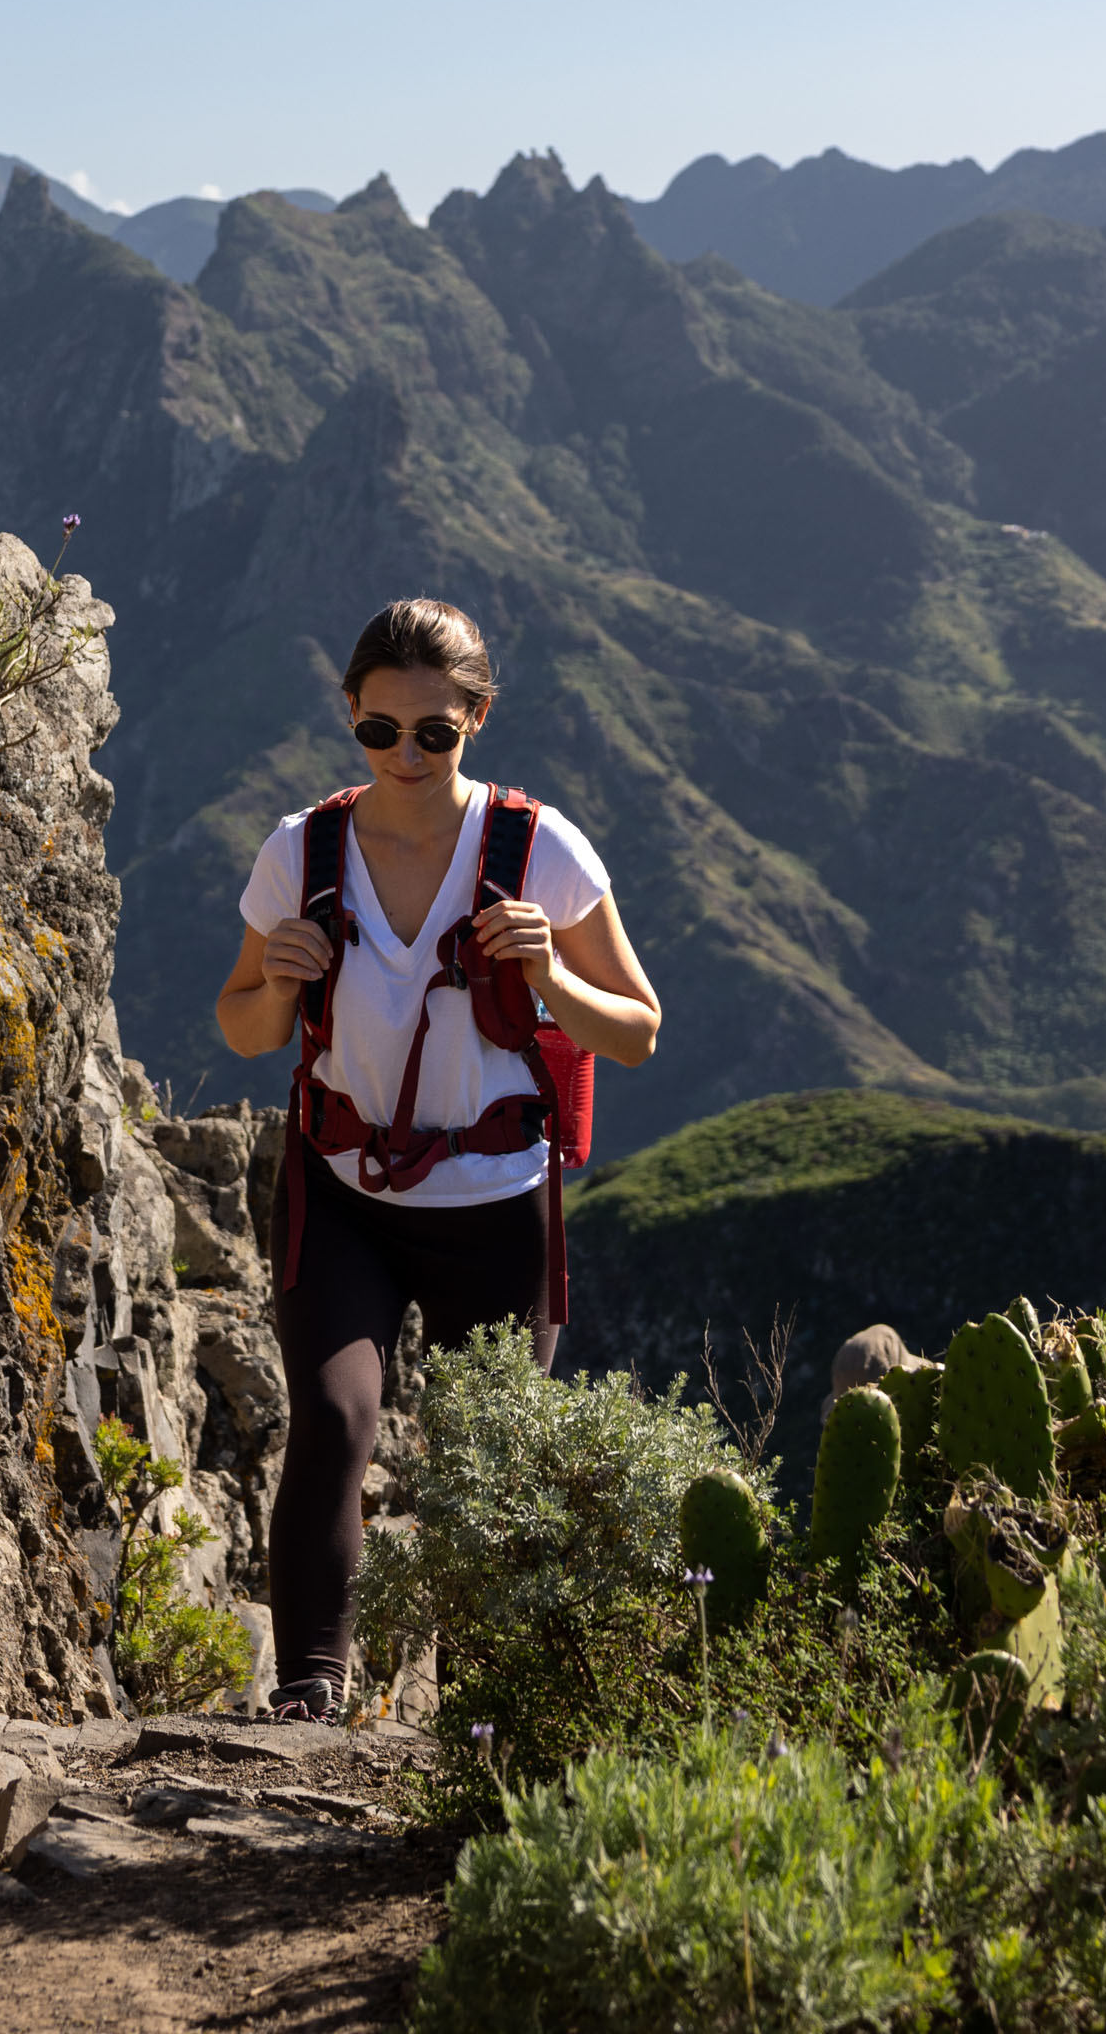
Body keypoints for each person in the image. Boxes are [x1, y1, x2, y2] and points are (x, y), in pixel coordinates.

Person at [216, 596, 661, 1721]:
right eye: (379, 731)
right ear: (350, 718)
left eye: (434, 733)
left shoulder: (537, 853)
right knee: (332, 1416)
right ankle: (311, 1692)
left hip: (498, 1205)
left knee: (485, 1463)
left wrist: (550, 974)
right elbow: (246, 1029)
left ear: (477, 722)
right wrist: (279, 976)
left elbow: (640, 1030)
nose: (404, 755)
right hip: (341, 1188)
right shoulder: (302, 851)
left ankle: (484, 1717)